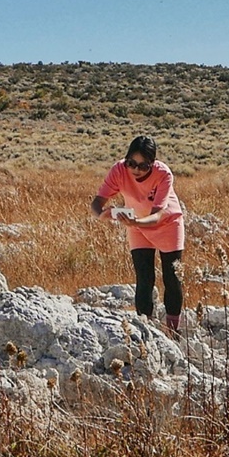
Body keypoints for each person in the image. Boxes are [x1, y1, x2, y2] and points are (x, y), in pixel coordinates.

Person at [90, 135, 185, 333]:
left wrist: (136, 222)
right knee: (144, 277)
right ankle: (146, 330)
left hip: (167, 223)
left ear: (153, 163)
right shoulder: (119, 170)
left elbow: (158, 214)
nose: (136, 170)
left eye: (143, 166)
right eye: (131, 163)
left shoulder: (163, 174)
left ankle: (173, 331)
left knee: (172, 279)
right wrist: (102, 215)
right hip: (137, 226)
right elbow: (97, 201)